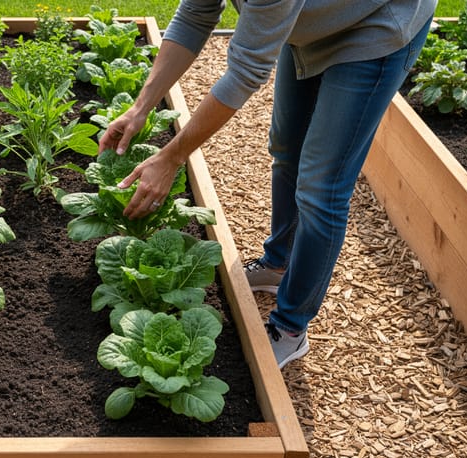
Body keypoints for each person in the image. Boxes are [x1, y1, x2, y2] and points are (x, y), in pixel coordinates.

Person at [99, 0, 436, 369]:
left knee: (321, 188)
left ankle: (291, 330)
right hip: (314, 19)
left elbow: (245, 70)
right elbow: (196, 14)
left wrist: (171, 156)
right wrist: (141, 106)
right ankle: (279, 263)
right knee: (286, 145)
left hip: (376, 24)